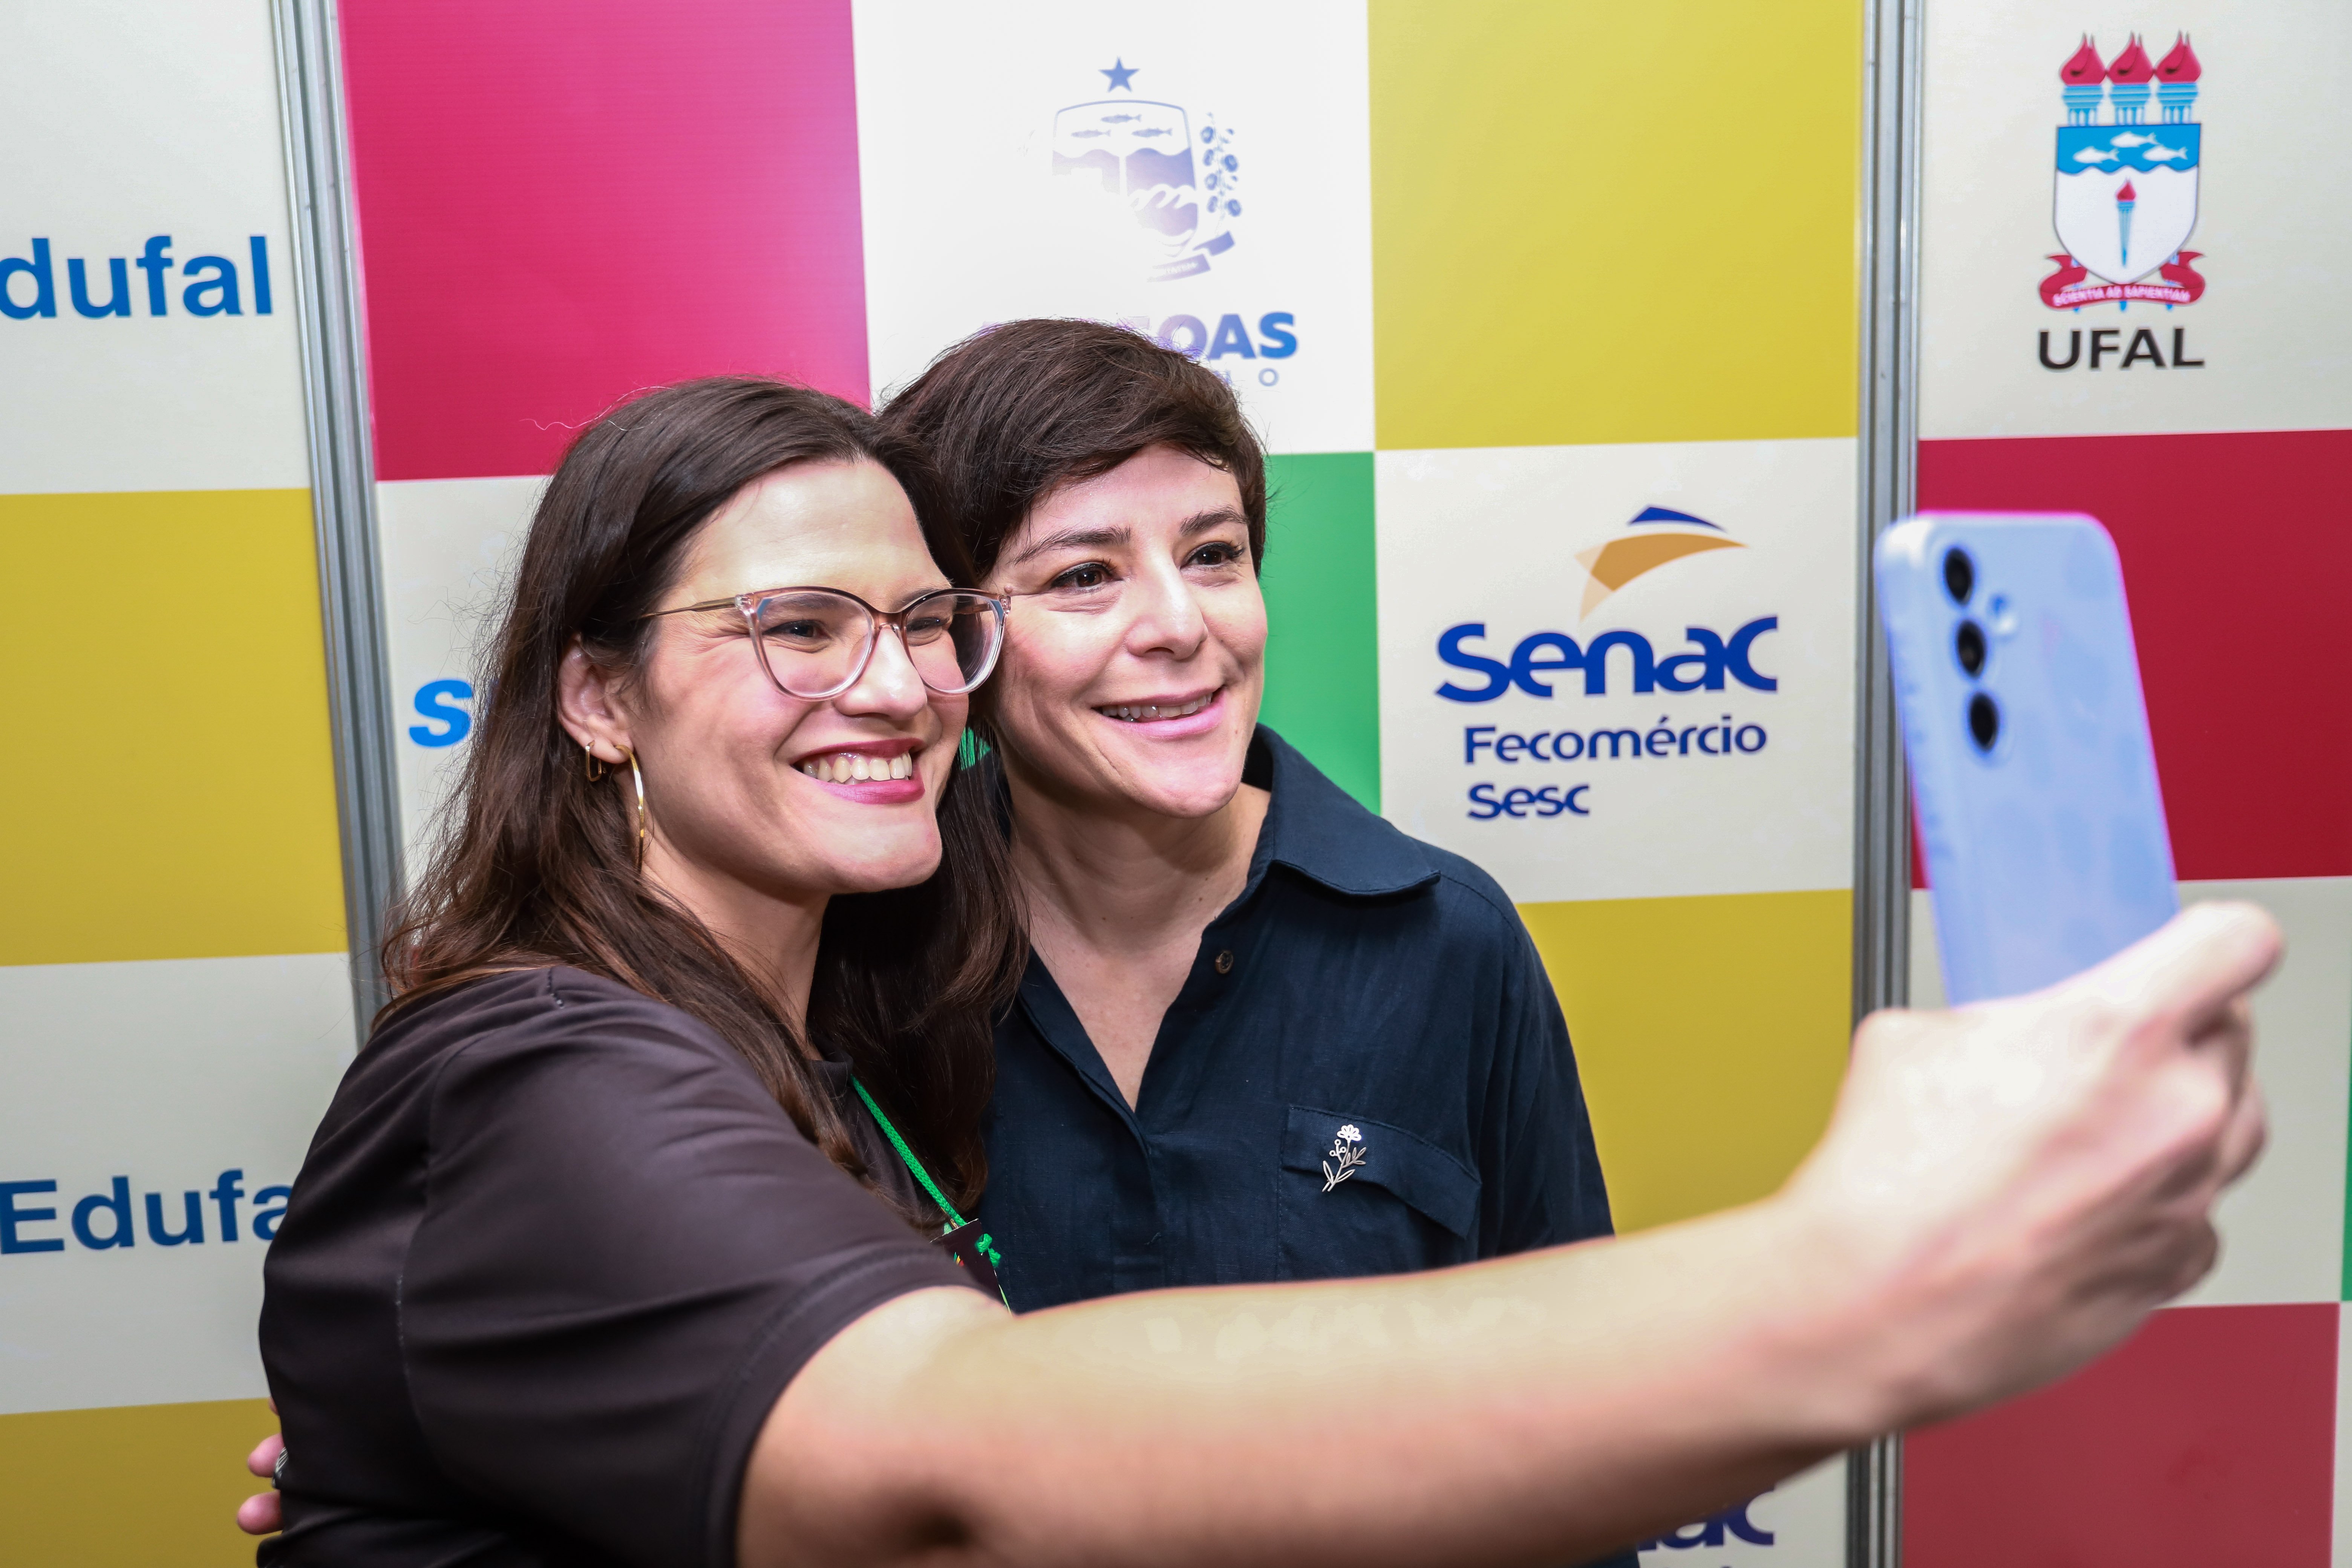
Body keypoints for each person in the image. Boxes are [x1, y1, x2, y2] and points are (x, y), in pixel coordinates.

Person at [250, 372, 2277, 1568]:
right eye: (796, 628)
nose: (892, 686)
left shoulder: (794, 1010)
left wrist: (527, 1437)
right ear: (596, 698)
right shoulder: (550, 1068)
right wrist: (1861, 1281)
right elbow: (950, 1449)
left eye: (922, 623)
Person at [880, 319, 1613, 1307]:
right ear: (952, 636)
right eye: (1085, 575)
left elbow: (1568, 1351)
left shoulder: (1448, 939)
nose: (1183, 625)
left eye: (1213, 555)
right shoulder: (864, 954)